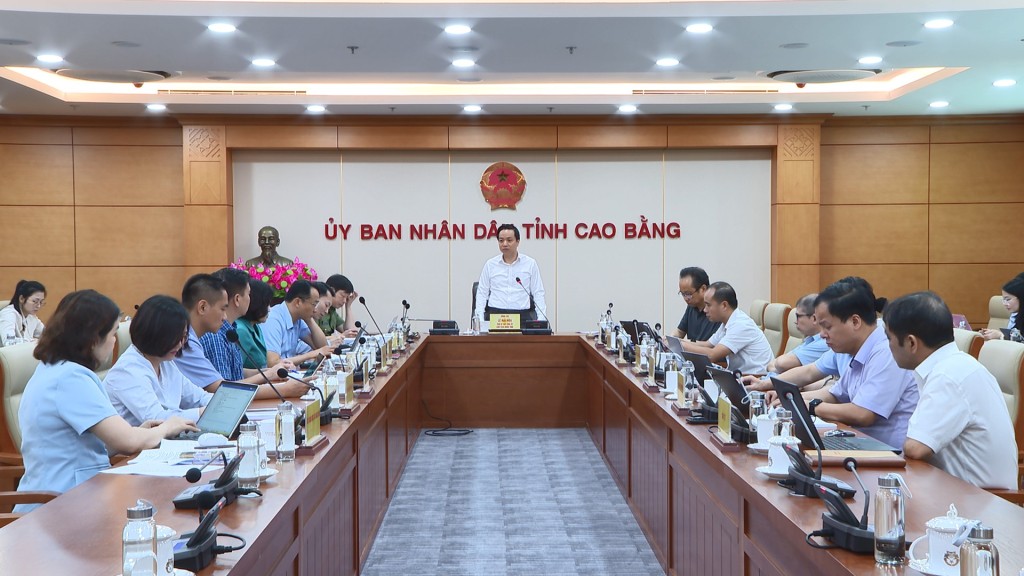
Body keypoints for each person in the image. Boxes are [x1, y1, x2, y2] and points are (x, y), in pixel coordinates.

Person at [14, 290, 196, 512]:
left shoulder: (55, 370)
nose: (114, 342)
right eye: (112, 334)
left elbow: (88, 446)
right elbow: (127, 442)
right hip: (60, 504)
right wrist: (167, 427)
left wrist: (140, 431)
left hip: (74, 494)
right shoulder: (70, 378)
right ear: (92, 339)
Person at [884, 291, 1017, 489]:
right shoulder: (952, 365)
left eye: (889, 338)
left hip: (980, 504)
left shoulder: (948, 375)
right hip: (958, 493)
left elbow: (915, 448)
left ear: (911, 342)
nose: (889, 346)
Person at [785, 279, 918, 448]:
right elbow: (836, 395)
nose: (823, 335)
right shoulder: (858, 349)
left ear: (855, 322)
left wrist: (812, 406)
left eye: (827, 327)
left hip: (890, 458)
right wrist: (790, 398)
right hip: (860, 445)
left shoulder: (886, 350)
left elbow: (863, 414)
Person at [174, 273, 305, 400]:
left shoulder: (224, 331)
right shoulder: (192, 341)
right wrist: (281, 386)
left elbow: (235, 373)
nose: (224, 316)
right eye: (222, 309)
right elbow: (222, 389)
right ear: (202, 307)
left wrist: (270, 373)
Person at [104, 295, 213, 426]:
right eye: (175, 338)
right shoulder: (127, 370)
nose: (180, 344)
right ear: (154, 333)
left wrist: (229, 405)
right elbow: (157, 419)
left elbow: (199, 398)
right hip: (132, 445)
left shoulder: (166, 362)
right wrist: (202, 412)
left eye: (184, 337)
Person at [681, 281, 774, 375]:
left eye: (708, 305)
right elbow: (708, 345)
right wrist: (680, 341)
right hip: (739, 376)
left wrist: (683, 346)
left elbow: (711, 355)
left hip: (754, 379)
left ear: (724, 305)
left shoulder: (741, 325)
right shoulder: (727, 322)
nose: (705, 310)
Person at [474, 223, 547, 326]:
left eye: (509, 240)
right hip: (495, 316)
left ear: (517, 242)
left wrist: (541, 321)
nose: (504, 244)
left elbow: (538, 293)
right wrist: (480, 321)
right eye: (501, 240)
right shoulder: (490, 265)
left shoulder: (530, 264)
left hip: (522, 317)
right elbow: (482, 293)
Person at [264, 280, 333, 366]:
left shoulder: (299, 319)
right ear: (298, 302)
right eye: (314, 304)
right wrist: (310, 355)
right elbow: (272, 363)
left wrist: (309, 319)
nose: (315, 310)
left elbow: (322, 347)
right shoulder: (273, 320)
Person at [766, 293, 829, 374]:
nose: (795, 321)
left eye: (798, 316)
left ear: (814, 318)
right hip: (765, 382)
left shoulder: (823, 343)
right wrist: (778, 369)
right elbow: (771, 364)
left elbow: (781, 363)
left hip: (773, 385)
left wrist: (777, 369)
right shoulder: (809, 340)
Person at [669, 267, 720, 342]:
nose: (686, 298)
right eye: (683, 294)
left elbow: (712, 346)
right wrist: (670, 339)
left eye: (688, 294)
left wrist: (686, 343)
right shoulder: (691, 306)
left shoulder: (716, 310)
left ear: (703, 289)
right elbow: (680, 331)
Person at [235, 278, 274, 370]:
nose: (269, 309)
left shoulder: (255, 325)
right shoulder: (241, 330)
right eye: (267, 304)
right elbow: (237, 371)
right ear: (256, 303)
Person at [0, 280, 46, 345]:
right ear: (21, 299)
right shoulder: (8, 314)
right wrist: (34, 342)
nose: (38, 306)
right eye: (35, 301)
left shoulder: (32, 316)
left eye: (41, 302)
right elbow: (9, 342)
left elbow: (47, 335)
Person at [980, 276, 1024, 340]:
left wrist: (1001, 335)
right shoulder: (1017, 316)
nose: (1004, 304)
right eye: (1003, 299)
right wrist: (993, 333)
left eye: (1008, 299)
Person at [318, 274, 359, 339]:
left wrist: (348, 306)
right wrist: (341, 336)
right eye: (342, 296)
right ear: (332, 291)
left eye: (346, 298)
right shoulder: (318, 310)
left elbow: (352, 332)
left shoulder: (332, 311)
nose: (344, 301)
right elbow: (316, 340)